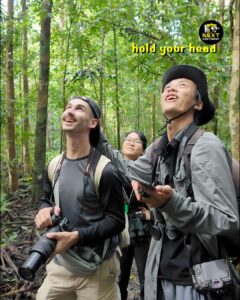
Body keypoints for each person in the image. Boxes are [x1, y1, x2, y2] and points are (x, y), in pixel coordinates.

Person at [97, 65, 239, 300]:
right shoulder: (157, 149)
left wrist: (171, 203)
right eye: (168, 86)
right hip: (160, 273)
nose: (171, 87)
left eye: (183, 84)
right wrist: (96, 133)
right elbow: (126, 170)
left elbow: (226, 219)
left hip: (198, 279)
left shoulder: (205, 146)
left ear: (198, 103)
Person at [35, 96, 125, 300]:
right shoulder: (54, 165)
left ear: (93, 123)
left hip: (98, 269)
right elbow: (46, 199)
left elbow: (116, 221)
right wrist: (43, 210)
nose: (69, 112)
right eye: (67, 107)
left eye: (79, 109)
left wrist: (77, 236)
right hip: (61, 265)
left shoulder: (105, 170)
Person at [119, 130, 152, 300]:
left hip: (142, 228)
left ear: (143, 149)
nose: (131, 143)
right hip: (118, 227)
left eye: (137, 141)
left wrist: (151, 213)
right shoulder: (112, 168)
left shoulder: (149, 170)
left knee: (146, 275)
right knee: (118, 276)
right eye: (128, 140)